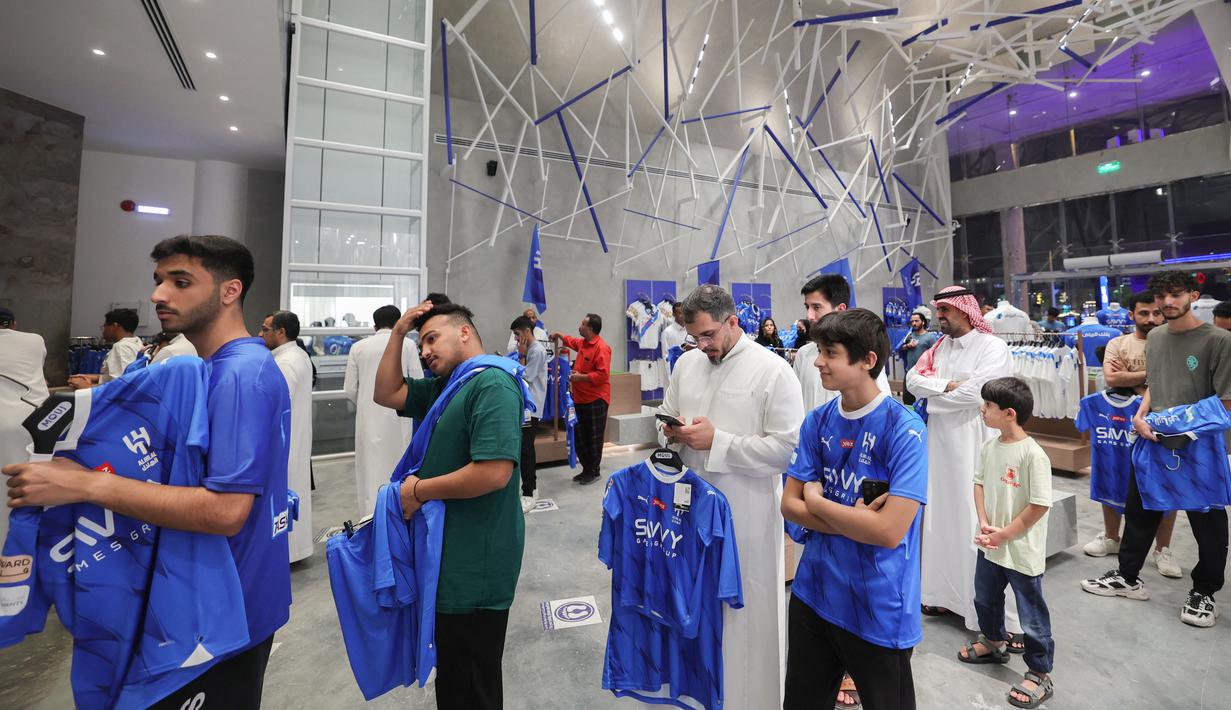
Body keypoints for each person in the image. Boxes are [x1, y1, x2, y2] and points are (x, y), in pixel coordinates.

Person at [4, 235, 291, 706]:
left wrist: (84, 484)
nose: (159, 295)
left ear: (229, 291)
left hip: (221, 617)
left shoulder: (240, 374)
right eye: (159, 281)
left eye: (180, 282)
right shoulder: (212, 368)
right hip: (207, 604)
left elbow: (225, 512)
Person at [373, 301, 525, 709]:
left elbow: (494, 472)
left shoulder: (490, 384)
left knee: (473, 683)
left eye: (431, 338)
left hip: (476, 565)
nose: (424, 351)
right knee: (456, 679)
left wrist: (418, 490)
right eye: (420, 343)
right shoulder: (451, 384)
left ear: (464, 332)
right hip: (450, 555)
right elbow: (386, 392)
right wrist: (397, 333)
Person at [658, 284, 804, 709]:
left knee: (746, 617)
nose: (702, 346)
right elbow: (664, 414)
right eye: (694, 337)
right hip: (689, 510)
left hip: (747, 516)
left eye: (709, 336)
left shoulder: (772, 370)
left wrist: (717, 441)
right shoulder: (687, 364)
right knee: (693, 610)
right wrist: (670, 430)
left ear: (733, 322)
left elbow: (787, 450)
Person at [781, 309, 926, 710]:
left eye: (830, 353)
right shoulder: (817, 421)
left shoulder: (906, 429)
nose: (818, 362)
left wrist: (818, 501)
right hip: (813, 594)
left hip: (878, 606)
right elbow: (788, 506)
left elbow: (889, 532)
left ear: (867, 361)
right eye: (818, 350)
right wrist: (858, 519)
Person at [1082, 270, 1231, 628]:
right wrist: (1141, 414)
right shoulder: (1159, 337)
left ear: (1193, 295)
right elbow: (1155, 383)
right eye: (1162, 296)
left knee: (1207, 520)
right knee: (1140, 509)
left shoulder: (1219, 340)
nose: (1167, 302)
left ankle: (1204, 591)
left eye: (1176, 294)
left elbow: (1225, 403)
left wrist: (1175, 423)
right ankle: (1128, 576)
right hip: (1151, 438)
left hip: (1200, 445)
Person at [906, 286, 1017, 634]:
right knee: (942, 516)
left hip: (975, 441)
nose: (940, 316)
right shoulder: (938, 347)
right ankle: (941, 594)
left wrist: (939, 390)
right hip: (939, 444)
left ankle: (986, 613)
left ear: (966, 311)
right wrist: (951, 387)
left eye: (945, 310)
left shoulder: (993, 347)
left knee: (976, 519)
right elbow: (912, 382)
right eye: (937, 310)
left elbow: (981, 393)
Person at [958, 377, 1055, 709]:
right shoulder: (990, 446)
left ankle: (1039, 672)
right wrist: (984, 522)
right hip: (991, 545)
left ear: (1009, 413)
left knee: (1031, 616)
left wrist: (1005, 534)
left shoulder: (1033, 455)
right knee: (985, 598)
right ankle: (994, 641)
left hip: (1020, 552)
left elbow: (1039, 505)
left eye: (988, 406)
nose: (982, 411)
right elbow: (979, 483)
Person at [1083, 291, 1181, 578]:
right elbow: (1112, 379)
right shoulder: (1118, 343)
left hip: (1163, 425)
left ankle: (1163, 549)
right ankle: (1113, 537)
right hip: (1121, 422)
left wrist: (1134, 377)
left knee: (1166, 489)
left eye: (1156, 313)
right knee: (1114, 477)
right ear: (1131, 315)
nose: (1151, 319)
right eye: (1143, 313)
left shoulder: (1174, 344)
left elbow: (1175, 383)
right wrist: (1153, 376)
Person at [343, 304, 424, 515]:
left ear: (374, 325)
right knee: (398, 466)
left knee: (368, 471)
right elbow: (418, 382)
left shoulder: (358, 348)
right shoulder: (407, 345)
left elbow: (350, 389)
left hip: (367, 419)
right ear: (399, 323)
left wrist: (364, 402)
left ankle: (370, 520)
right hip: (400, 418)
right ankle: (397, 516)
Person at [260, 310, 315, 563]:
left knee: (284, 494)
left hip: (284, 442)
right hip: (295, 438)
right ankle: (293, 550)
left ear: (281, 332)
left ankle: (287, 553)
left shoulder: (285, 361)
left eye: (265, 329)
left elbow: (274, 405)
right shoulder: (298, 355)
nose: (260, 334)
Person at [793, 274, 890, 413]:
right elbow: (796, 404)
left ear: (840, 309)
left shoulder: (859, 352)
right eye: (807, 307)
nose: (809, 316)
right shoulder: (803, 354)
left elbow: (880, 405)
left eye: (816, 307)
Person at [0, 307, 50, 544]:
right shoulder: (35, 340)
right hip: (34, 420)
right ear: (13, 323)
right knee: (27, 484)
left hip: (4, 420)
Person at [550, 314, 611, 485]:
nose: (580, 325)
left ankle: (594, 471)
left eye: (583, 324)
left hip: (596, 400)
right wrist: (560, 335)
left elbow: (602, 375)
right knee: (581, 436)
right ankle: (586, 469)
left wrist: (580, 378)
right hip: (580, 399)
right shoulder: (583, 343)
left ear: (590, 328)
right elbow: (571, 341)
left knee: (593, 437)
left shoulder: (601, 348)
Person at [511, 315, 547, 512]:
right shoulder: (529, 350)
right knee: (526, 449)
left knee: (525, 450)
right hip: (525, 407)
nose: (516, 339)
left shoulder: (537, 351)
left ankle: (528, 492)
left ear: (526, 331)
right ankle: (531, 486)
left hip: (530, 408)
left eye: (517, 334)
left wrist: (521, 356)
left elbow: (527, 376)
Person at [68, 308, 143, 388]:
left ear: (114, 326)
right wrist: (93, 377)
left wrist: (85, 386)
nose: (103, 331)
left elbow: (120, 386)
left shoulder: (121, 348)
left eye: (105, 326)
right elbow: (121, 374)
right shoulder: (137, 343)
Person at [898, 308, 939, 406]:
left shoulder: (930, 337)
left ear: (923, 322)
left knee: (922, 400)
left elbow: (936, 354)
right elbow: (900, 349)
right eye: (912, 321)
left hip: (923, 375)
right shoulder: (909, 336)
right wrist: (908, 346)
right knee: (907, 399)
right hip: (909, 373)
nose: (914, 323)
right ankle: (910, 419)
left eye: (916, 321)